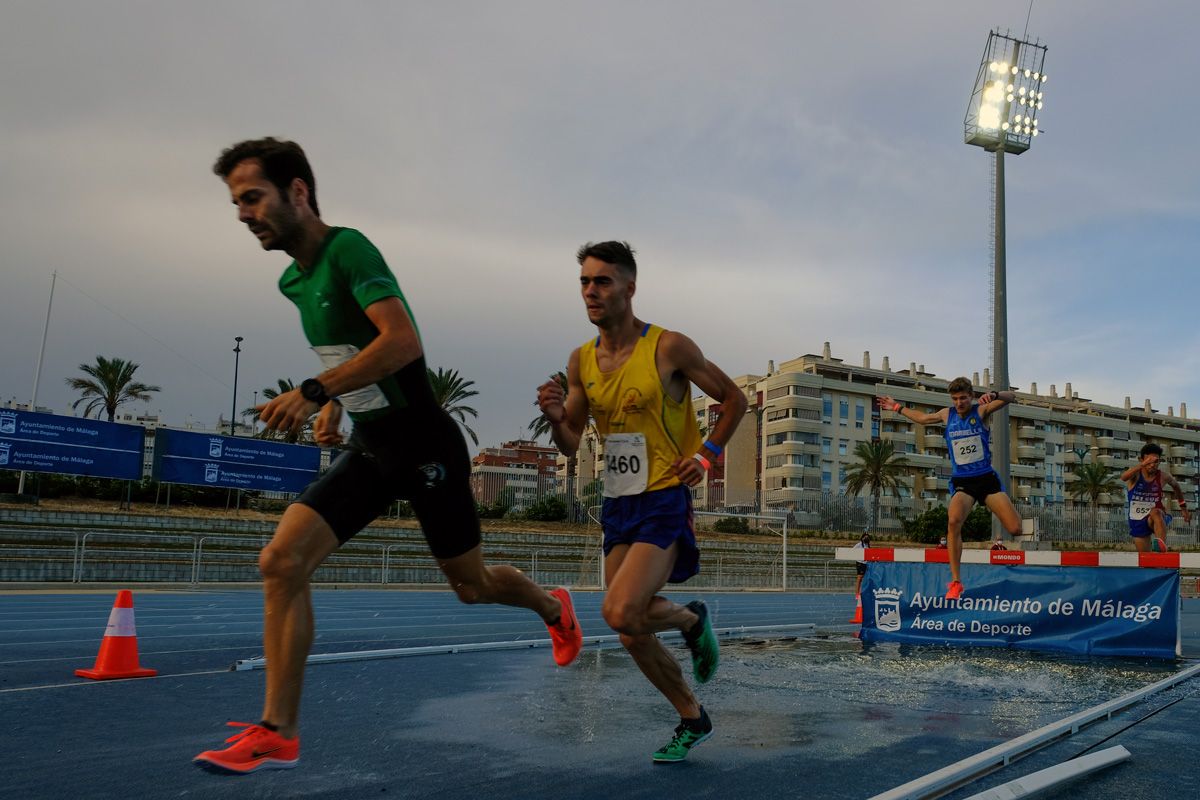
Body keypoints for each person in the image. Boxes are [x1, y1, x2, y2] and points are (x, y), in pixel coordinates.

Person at [195, 138, 582, 774]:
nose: (243, 213)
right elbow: (352, 350)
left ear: (297, 192)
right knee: (281, 561)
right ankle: (277, 730)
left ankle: (553, 608)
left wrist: (317, 390)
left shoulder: (350, 248)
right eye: (237, 202)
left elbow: (401, 342)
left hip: (426, 444)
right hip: (373, 446)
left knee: (472, 586)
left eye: (253, 197)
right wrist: (335, 404)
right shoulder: (294, 279)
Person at [537, 241, 746, 763]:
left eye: (602, 281)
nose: (591, 291)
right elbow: (570, 442)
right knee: (630, 632)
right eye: (585, 282)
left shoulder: (668, 347)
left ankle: (692, 622)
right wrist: (557, 414)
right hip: (620, 500)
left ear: (630, 287)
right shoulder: (581, 360)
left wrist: (704, 457)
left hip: (664, 496)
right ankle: (692, 718)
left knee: (619, 611)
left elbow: (734, 400)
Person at [878, 378, 1022, 599]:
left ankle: (960, 578)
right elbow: (923, 418)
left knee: (1015, 529)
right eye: (955, 399)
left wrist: (993, 394)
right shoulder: (947, 414)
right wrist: (897, 407)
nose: (959, 403)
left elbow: (1011, 397)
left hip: (985, 478)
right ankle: (955, 581)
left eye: (963, 398)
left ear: (971, 396)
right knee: (953, 521)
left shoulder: (981, 410)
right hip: (963, 481)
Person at [1120, 443, 1191, 553]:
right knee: (1146, 560)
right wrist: (1142, 465)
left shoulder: (1163, 476)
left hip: (1156, 518)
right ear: (1141, 460)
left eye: (1156, 461)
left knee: (1156, 512)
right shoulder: (1136, 475)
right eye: (1149, 461)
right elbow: (1124, 477)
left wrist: (1183, 508)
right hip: (1137, 520)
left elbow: (1176, 486)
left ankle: (1160, 547)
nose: (1152, 465)